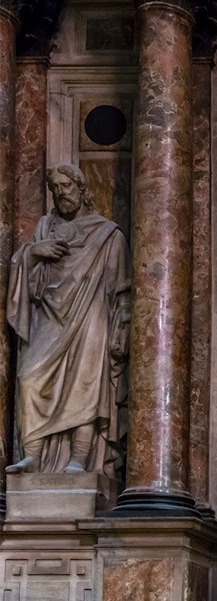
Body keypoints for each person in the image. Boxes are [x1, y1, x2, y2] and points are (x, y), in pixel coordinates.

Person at [6, 164, 129, 476]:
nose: (61, 193)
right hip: (49, 313)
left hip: (91, 316)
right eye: (55, 188)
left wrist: (121, 328)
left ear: (82, 188)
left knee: (87, 382)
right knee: (29, 377)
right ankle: (32, 455)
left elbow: (123, 288)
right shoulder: (45, 227)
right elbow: (24, 272)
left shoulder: (107, 234)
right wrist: (35, 252)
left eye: (66, 186)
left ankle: (79, 457)